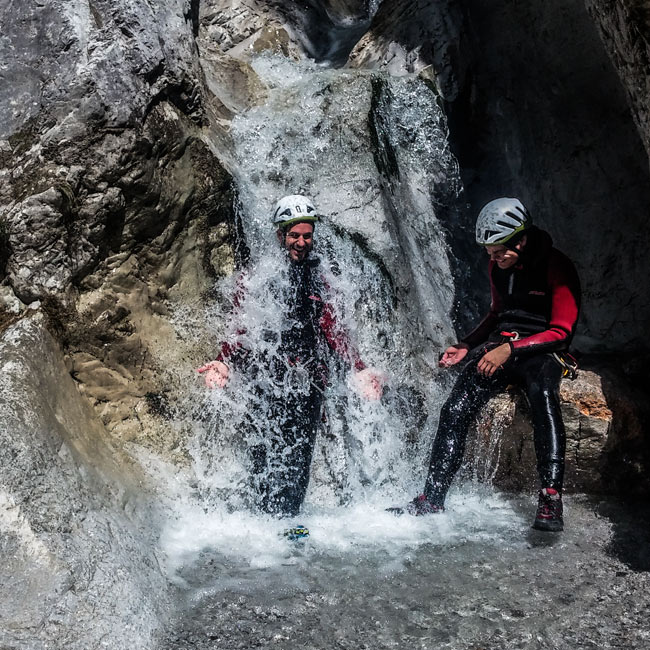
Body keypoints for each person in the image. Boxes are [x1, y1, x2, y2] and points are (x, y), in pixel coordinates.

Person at [391, 197, 580, 532]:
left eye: (498, 252)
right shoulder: (497, 266)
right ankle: (432, 498)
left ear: (520, 240)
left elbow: (562, 331)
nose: (492, 259)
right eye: (489, 252)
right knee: (454, 409)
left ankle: (550, 496)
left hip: (541, 351)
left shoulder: (556, 267)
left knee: (543, 396)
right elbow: (496, 314)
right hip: (502, 347)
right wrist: (467, 344)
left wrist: (511, 349)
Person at [198, 194, 385, 517]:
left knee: (299, 455)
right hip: (267, 378)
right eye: (294, 235)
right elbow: (241, 325)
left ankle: (289, 520)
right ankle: (262, 519)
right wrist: (222, 360)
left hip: (308, 380)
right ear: (280, 235)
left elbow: (332, 327)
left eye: (307, 235)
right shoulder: (259, 276)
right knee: (262, 450)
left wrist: (359, 368)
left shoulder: (321, 276)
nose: (301, 242)